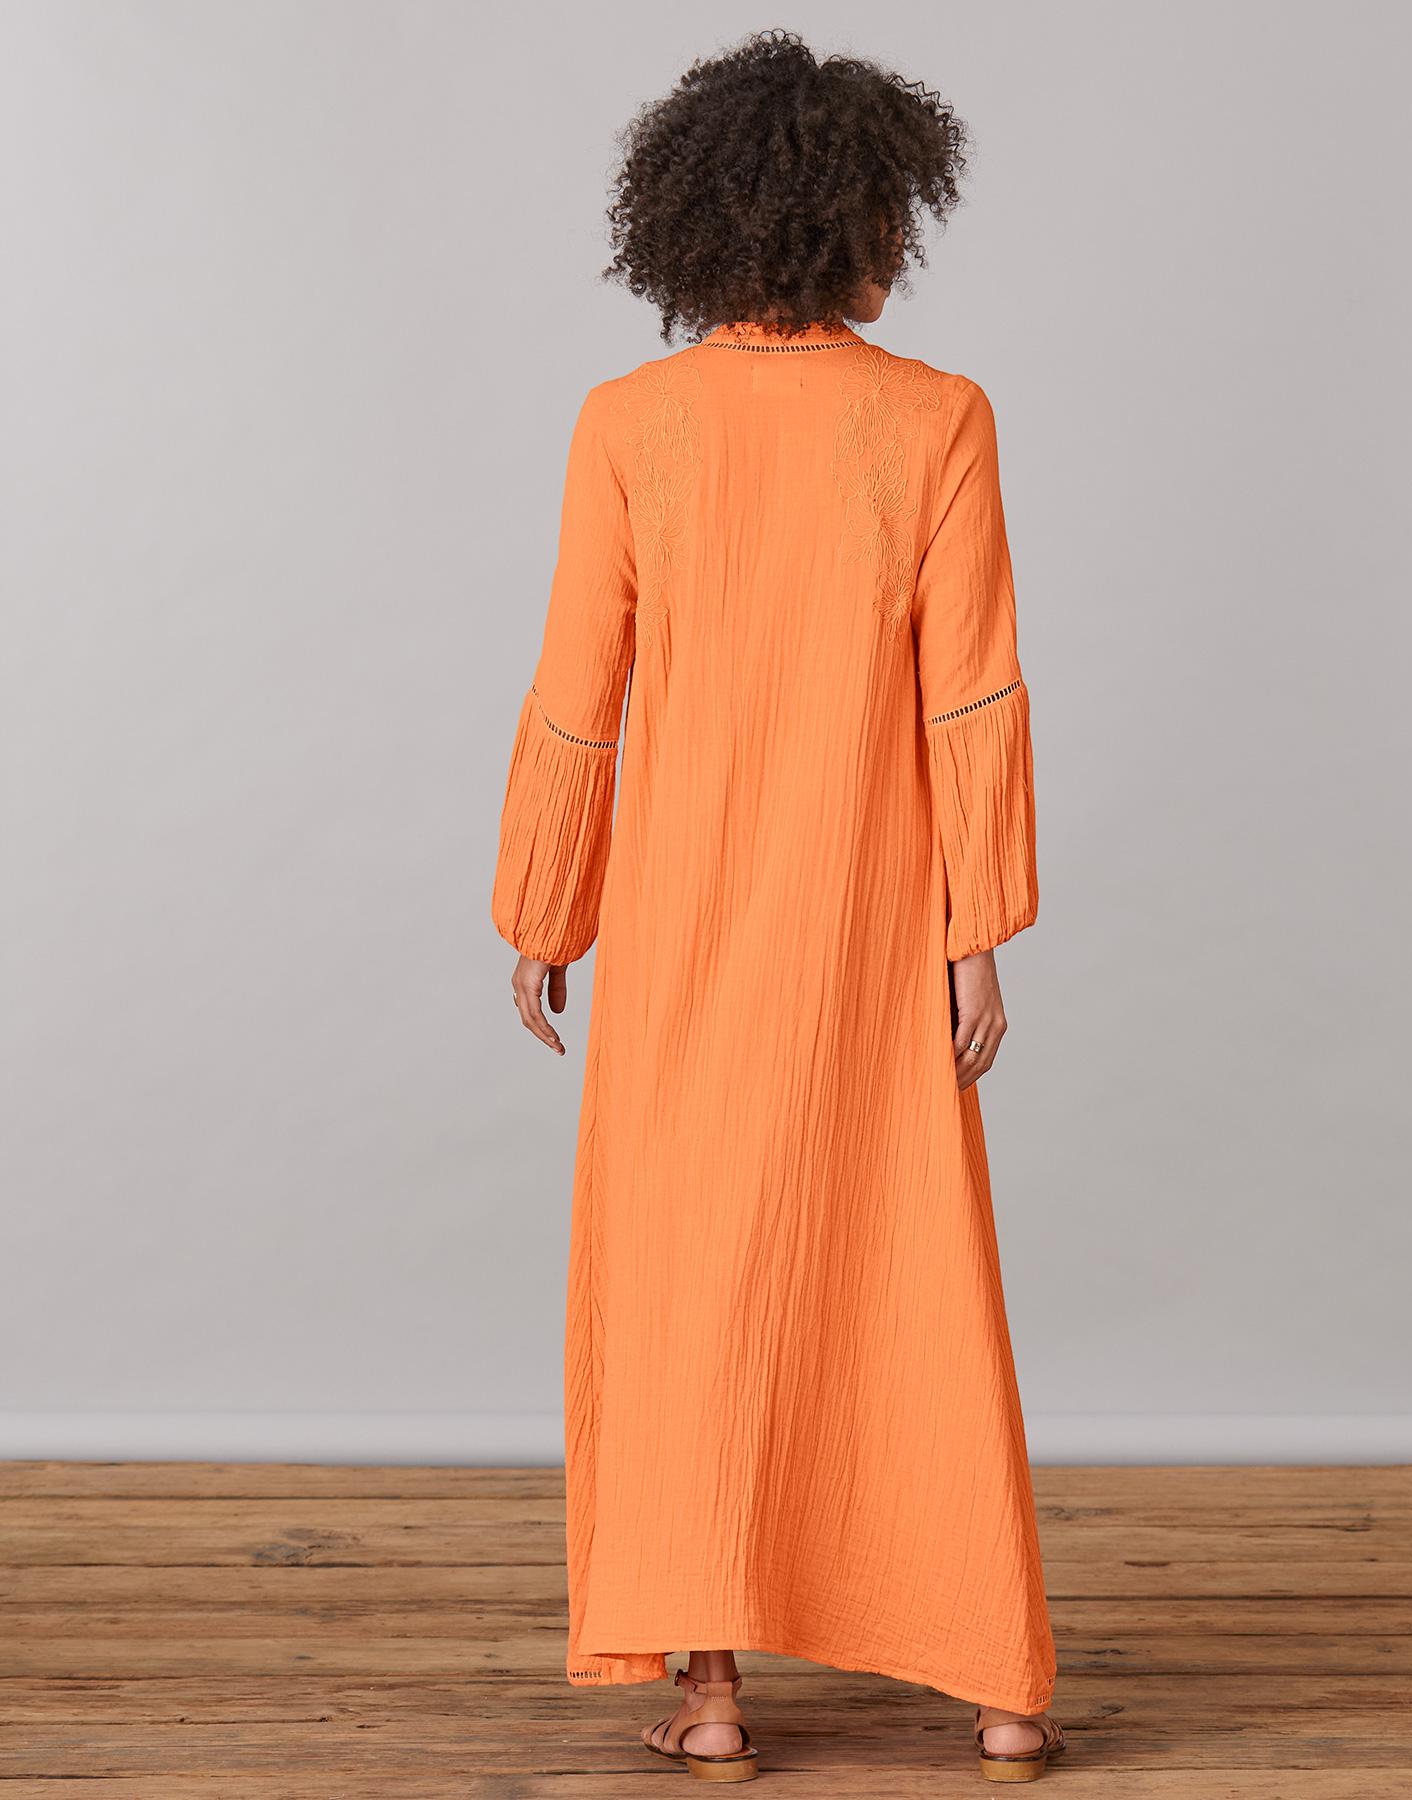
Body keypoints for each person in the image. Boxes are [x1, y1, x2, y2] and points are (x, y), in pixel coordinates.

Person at [492, 29, 1062, 1784]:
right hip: (874, 924)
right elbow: (974, 695)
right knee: (909, 1272)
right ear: (853, 220)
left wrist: (545, 905)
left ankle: (717, 1689)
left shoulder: (631, 424)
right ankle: (1000, 1690)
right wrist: (974, 928)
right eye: (890, 214)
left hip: (682, 925)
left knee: (688, 1283)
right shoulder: (938, 418)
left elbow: (579, 687)